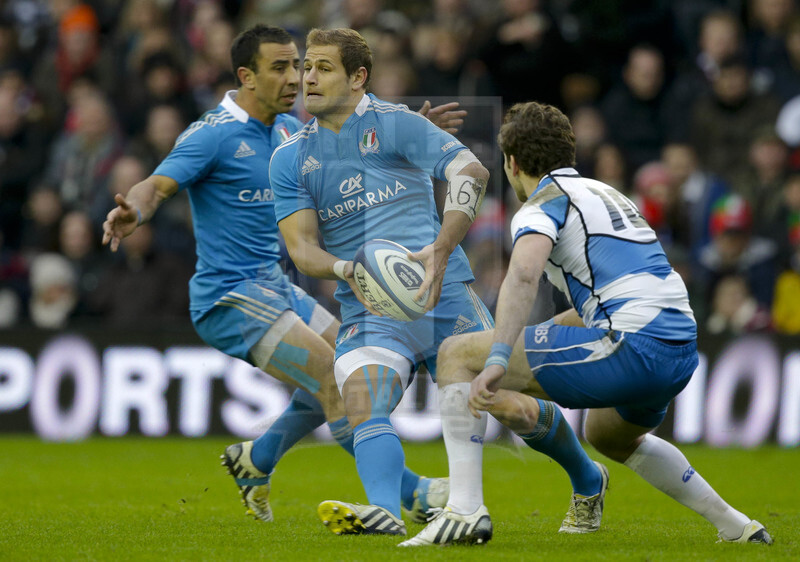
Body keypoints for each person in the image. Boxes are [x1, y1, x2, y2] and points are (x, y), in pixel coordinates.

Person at [102, 23, 463, 525]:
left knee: (346, 364)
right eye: (280, 67)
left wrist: (406, 135)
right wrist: (132, 211)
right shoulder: (212, 135)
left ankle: (258, 458)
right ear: (246, 77)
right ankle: (415, 494)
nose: (295, 77)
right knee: (340, 387)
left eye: (297, 64)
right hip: (229, 297)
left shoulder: (293, 131)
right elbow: (156, 186)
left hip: (276, 288)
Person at [271, 28, 603, 538]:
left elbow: (470, 171)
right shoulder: (290, 157)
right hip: (369, 302)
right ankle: (383, 509)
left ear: (359, 78)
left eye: (322, 67)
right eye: (305, 67)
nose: (307, 77)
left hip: (442, 294)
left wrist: (444, 246)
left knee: (505, 403)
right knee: (363, 396)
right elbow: (301, 248)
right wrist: (346, 270)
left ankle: (587, 476)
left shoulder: (399, 125)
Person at [401, 101, 773, 547]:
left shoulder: (542, 205)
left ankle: (463, 511)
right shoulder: (608, 195)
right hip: (679, 346)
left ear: (512, 162)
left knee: (456, 354)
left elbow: (523, 273)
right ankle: (736, 526)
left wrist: (499, 356)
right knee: (606, 434)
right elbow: (619, 289)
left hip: (633, 346)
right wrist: (550, 328)